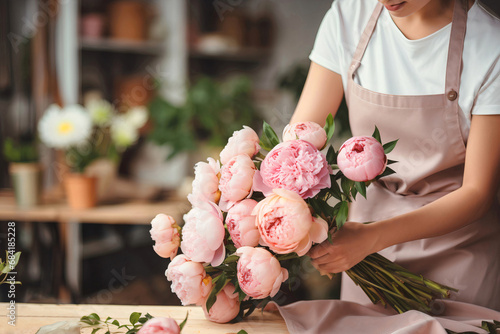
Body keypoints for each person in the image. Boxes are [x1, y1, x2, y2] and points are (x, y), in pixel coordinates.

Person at [276, 0, 500, 333]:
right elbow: (299, 146)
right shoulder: (347, 18)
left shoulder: (489, 46)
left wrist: (371, 238)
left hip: (460, 261)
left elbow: (478, 193)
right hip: (366, 263)